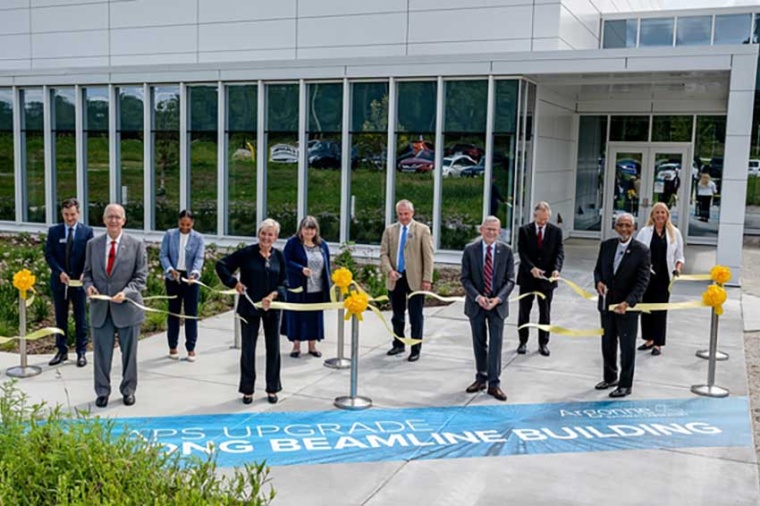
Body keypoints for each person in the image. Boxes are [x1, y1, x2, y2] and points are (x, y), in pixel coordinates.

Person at [216, 219, 287, 405]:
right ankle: (247, 390)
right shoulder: (247, 253)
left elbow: (285, 283)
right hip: (249, 308)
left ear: (276, 237)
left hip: (272, 308)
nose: (266, 237)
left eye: (270, 234)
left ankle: (272, 388)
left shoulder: (279, 256)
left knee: (273, 348)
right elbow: (221, 265)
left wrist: (273, 295)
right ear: (258, 234)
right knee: (248, 349)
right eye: (263, 233)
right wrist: (234, 283)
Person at [83, 204, 147, 408]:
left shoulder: (137, 245)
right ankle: (102, 391)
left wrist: (126, 293)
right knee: (101, 355)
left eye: (117, 217)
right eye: (110, 217)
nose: (113, 221)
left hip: (127, 308)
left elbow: (141, 278)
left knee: (129, 355)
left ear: (124, 221)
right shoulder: (93, 244)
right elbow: (87, 274)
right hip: (101, 309)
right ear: (103, 220)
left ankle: (128, 390)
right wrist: (89, 286)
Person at [593, 213, 650, 398]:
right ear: (615, 227)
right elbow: (598, 270)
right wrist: (599, 282)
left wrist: (628, 302)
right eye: (620, 225)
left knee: (627, 347)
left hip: (628, 307)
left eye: (628, 225)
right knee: (607, 343)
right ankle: (610, 377)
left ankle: (625, 384)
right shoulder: (606, 246)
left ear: (633, 228)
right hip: (607, 304)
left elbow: (642, 282)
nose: (624, 229)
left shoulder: (642, 251)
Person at [460, 216, 515, 401]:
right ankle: (480, 378)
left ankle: (494, 384)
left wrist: (498, 299)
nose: (491, 233)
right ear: (481, 229)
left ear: (499, 232)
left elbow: (510, 280)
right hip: (477, 305)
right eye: (488, 229)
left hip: (497, 306)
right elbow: (465, 278)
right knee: (479, 343)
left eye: (495, 230)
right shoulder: (470, 250)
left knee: (496, 345)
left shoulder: (506, 251)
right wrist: (477, 297)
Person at [380, 199, 434, 362]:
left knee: (416, 315)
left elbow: (428, 256)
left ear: (412, 213)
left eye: (406, 214)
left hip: (416, 279)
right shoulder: (390, 231)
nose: (403, 217)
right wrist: (389, 271)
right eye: (400, 214)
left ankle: (415, 348)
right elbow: (383, 254)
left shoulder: (422, 230)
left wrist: (427, 279)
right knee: (397, 314)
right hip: (396, 278)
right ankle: (398, 343)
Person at [44, 198, 94, 368]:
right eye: (66, 214)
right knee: (60, 318)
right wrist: (59, 272)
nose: (70, 218)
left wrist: (84, 274)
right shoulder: (54, 231)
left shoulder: (87, 232)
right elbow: (49, 255)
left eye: (72, 214)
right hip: (60, 282)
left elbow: (90, 256)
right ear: (62, 214)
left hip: (78, 283)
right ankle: (61, 351)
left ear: (78, 213)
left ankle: (81, 352)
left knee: (81, 318)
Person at [635, 202, 684, 356]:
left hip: (664, 277)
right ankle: (648, 339)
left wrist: (678, 268)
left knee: (660, 310)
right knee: (646, 308)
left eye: (663, 212)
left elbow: (680, 256)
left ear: (667, 215)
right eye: (657, 212)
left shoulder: (674, 233)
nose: (660, 215)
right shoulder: (644, 232)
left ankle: (658, 343)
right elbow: (637, 252)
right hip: (647, 276)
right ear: (652, 215)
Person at [516, 202, 564, 357]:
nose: (543, 222)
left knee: (545, 312)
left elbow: (559, 253)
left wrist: (556, 269)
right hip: (528, 278)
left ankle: (543, 343)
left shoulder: (556, 231)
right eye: (540, 219)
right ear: (534, 216)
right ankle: (522, 341)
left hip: (547, 279)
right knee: (524, 311)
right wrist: (532, 268)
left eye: (546, 219)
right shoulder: (524, 231)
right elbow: (522, 253)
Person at [159, 210, 205, 362]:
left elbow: (199, 257)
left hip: (190, 278)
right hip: (173, 276)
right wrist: (170, 269)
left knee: (191, 313)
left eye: (188, 225)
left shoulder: (198, 238)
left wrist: (195, 273)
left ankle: (191, 347)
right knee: (174, 312)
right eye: (182, 224)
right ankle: (173, 346)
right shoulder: (170, 234)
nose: (185, 227)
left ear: (192, 223)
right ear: (178, 222)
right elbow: (163, 255)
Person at [282, 216, 331, 358]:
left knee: (314, 317)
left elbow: (327, 265)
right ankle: (296, 346)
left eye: (312, 229)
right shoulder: (293, 243)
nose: (309, 232)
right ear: (301, 229)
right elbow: (285, 261)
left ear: (316, 231)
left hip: (317, 288)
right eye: (306, 229)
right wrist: (300, 269)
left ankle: (312, 346)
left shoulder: (322, 245)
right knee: (297, 316)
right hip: (298, 287)